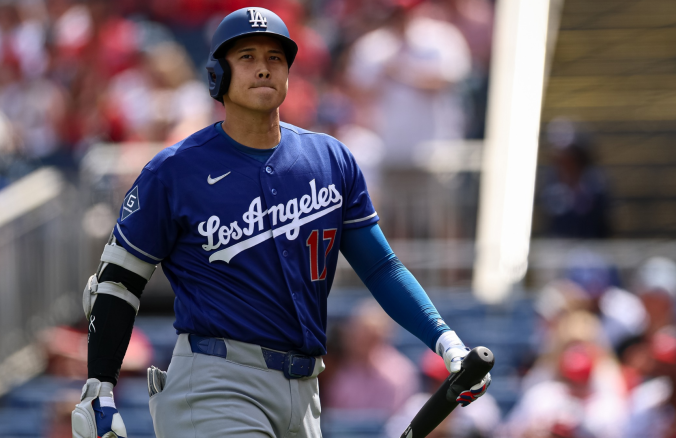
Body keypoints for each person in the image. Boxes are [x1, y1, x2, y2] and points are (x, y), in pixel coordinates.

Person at [70, 7, 490, 438]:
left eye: (275, 57)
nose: (264, 68)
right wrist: (99, 388)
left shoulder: (332, 160)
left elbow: (382, 267)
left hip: (305, 392)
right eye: (247, 57)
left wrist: (447, 342)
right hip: (215, 384)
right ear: (217, 74)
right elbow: (118, 282)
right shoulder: (174, 170)